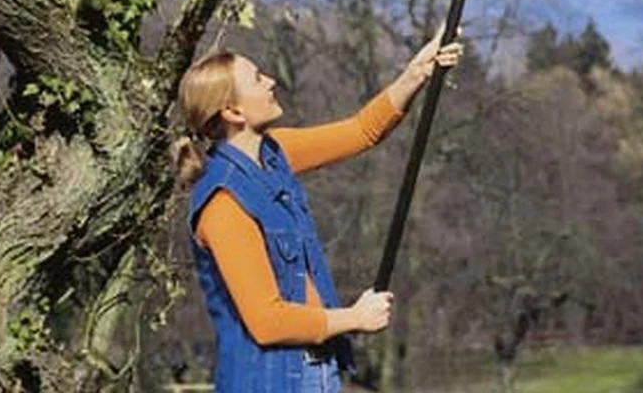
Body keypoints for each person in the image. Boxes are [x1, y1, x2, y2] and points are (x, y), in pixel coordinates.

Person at [173, 27, 461, 393]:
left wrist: (418, 72)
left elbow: (361, 130)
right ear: (232, 111)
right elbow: (266, 320)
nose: (271, 81)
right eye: (257, 78)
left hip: (318, 370)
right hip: (270, 382)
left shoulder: (273, 153)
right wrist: (354, 318)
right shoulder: (223, 204)